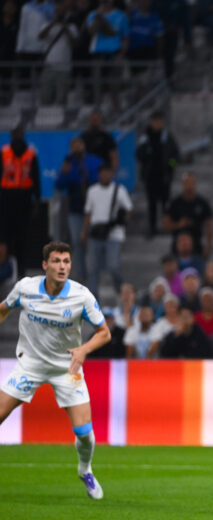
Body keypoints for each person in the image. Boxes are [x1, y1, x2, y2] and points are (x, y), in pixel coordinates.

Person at [0, 241, 110, 500]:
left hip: (66, 368)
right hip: (31, 365)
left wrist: (83, 350)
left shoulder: (82, 296)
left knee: (85, 434)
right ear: (45, 265)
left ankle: (85, 470)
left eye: (67, 262)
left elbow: (104, 333)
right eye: (57, 261)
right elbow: (4, 309)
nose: (63, 267)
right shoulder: (25, 288)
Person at [82, 163, 132, 295]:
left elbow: (128, 210)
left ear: (111, 174)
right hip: (96, 233)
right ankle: (93, 300)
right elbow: (88, 213)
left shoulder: (119, 190)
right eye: (102, 173)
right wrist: (84, 231)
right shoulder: (92, 191)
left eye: (107, 172)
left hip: (113, 233)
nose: (105, 175)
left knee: (113, 267)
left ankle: (121, 292)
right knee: (92, 269)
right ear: (99, 175)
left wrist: (122, 220)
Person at [56, 136, 102, 281]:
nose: (76, 149)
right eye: (73, 147)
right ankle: (82, 276)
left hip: (94, 210)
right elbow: (59, 184)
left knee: (92, 242)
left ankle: (95, 274)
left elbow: (98, 180)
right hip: (75, 209)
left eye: (79, 145)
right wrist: (65, 173)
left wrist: (80, 175)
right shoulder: (68, 163)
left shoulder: (94, 161)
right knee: (77, 241)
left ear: (84, 146)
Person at [1, 125, 41, 273]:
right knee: (5, 237)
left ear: (24, 135)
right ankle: (6, 271)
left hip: (24, 199)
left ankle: (21, 271)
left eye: (20, 134)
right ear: (11, 135)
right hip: (6, 199)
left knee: (22, 238)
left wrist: (36, 200)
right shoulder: (4, 152)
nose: (18, 137)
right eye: (15, 134)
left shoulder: (30, 154)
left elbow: (36, 179)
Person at [136, 110, 180, 237]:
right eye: (155, 121)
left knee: (166, 203)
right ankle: (152, 227)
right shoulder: (145, 137)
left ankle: (166, 225)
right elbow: (138, 154)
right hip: (150, 176)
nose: (157, 124)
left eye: (160, 121)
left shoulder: (167, 137)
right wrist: (147, 155)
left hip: (164, 176)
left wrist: (170, 167)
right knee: (152, 203)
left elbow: (175, 155)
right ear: (151, 122)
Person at [163, 171, 213, 257]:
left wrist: (208, 247)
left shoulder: (203, 203)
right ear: (182, 184)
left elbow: (209, 227)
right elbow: (165, 225)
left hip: (196, 245)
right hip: (178, 246)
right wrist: (178, 225)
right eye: (186, 183)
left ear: (195, 184)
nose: (189, 185)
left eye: (191, 182)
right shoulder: (174, 203)